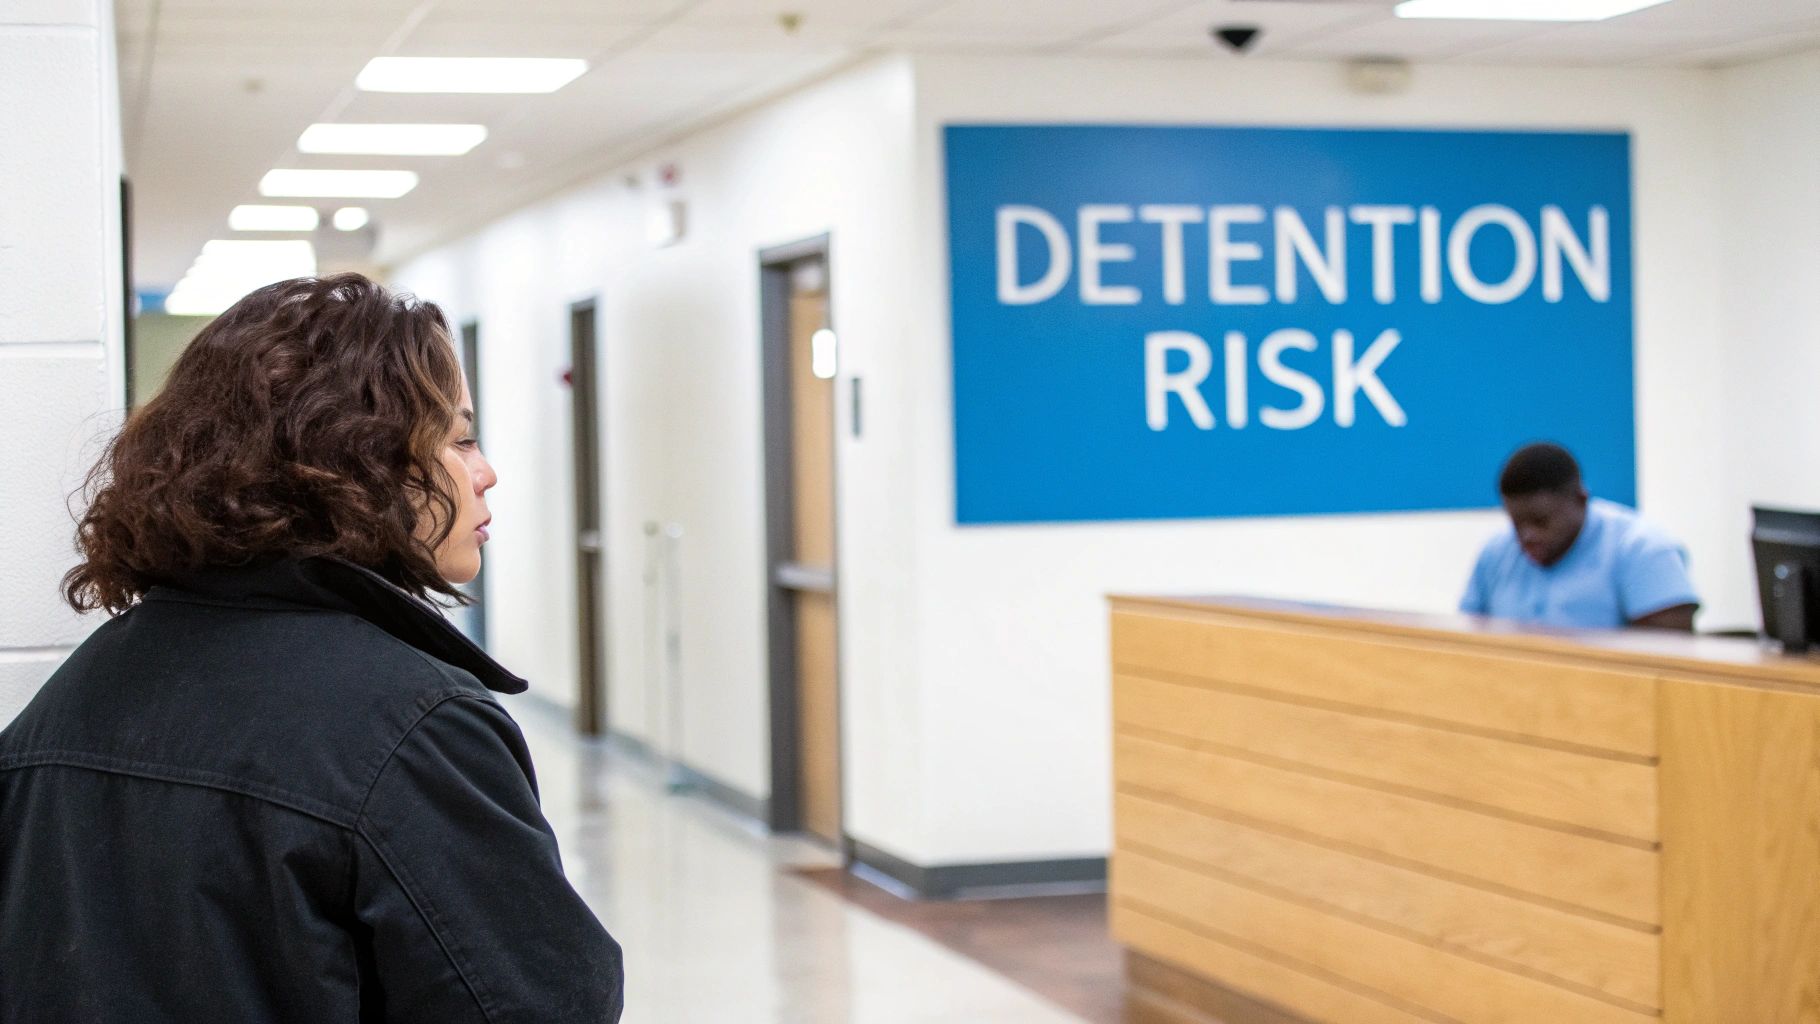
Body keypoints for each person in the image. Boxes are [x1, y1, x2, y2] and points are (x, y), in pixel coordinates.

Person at [0, 275, 623, 1022]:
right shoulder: (414, 728)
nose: (485, 472)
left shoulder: (73, 697)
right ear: (358, 461)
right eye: (459, 439)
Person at [1461, 442, 1699, 631]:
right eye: (1517, 523)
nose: (1527, 535)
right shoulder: (1495, 552)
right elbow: (1466, 643)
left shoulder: (1642, 549)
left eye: (1540, 521)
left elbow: (1669, 662)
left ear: (1580, 500)